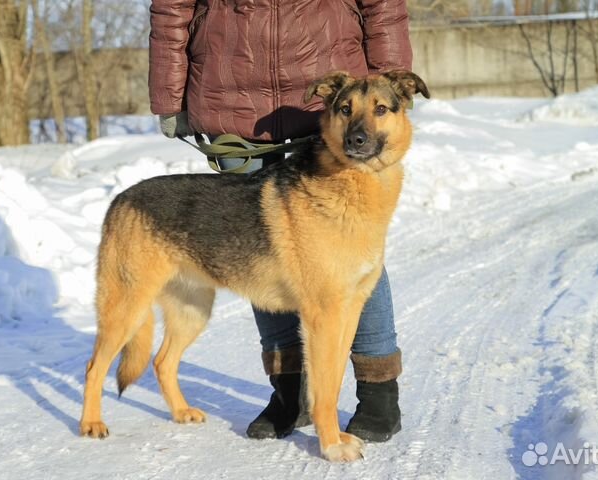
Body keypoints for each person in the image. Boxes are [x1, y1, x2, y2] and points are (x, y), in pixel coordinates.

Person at [149, 0, 412, 443]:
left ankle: (378, 390)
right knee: (257, 255)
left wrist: (387, 85)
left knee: (353, 258)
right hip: (231, 95)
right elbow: (172, 7)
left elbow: (383, 6)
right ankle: (289, 390)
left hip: (332, 93)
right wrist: (169, 94)